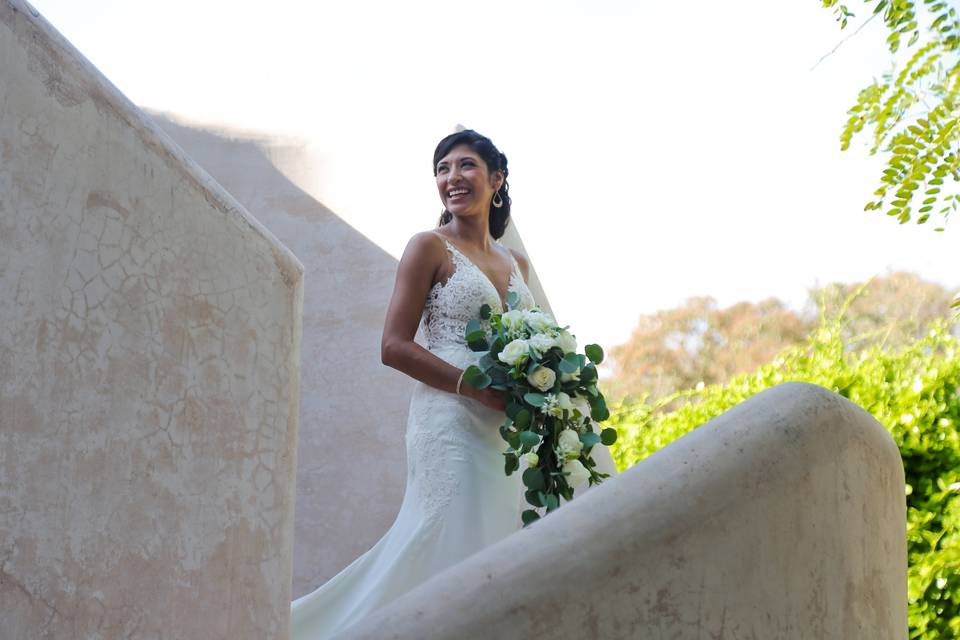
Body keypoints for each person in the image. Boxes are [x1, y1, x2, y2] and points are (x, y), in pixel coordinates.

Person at [289, 129, 538, 638]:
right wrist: (473, 386)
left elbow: (535, 342)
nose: (452, 178)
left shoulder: (519, 265)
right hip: (449, 418)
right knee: (441, 532)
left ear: (497, 178)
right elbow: (393, 346)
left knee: (492, 541)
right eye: (442, 169)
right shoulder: (428, 247)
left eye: (465, 166)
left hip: (504, 433)